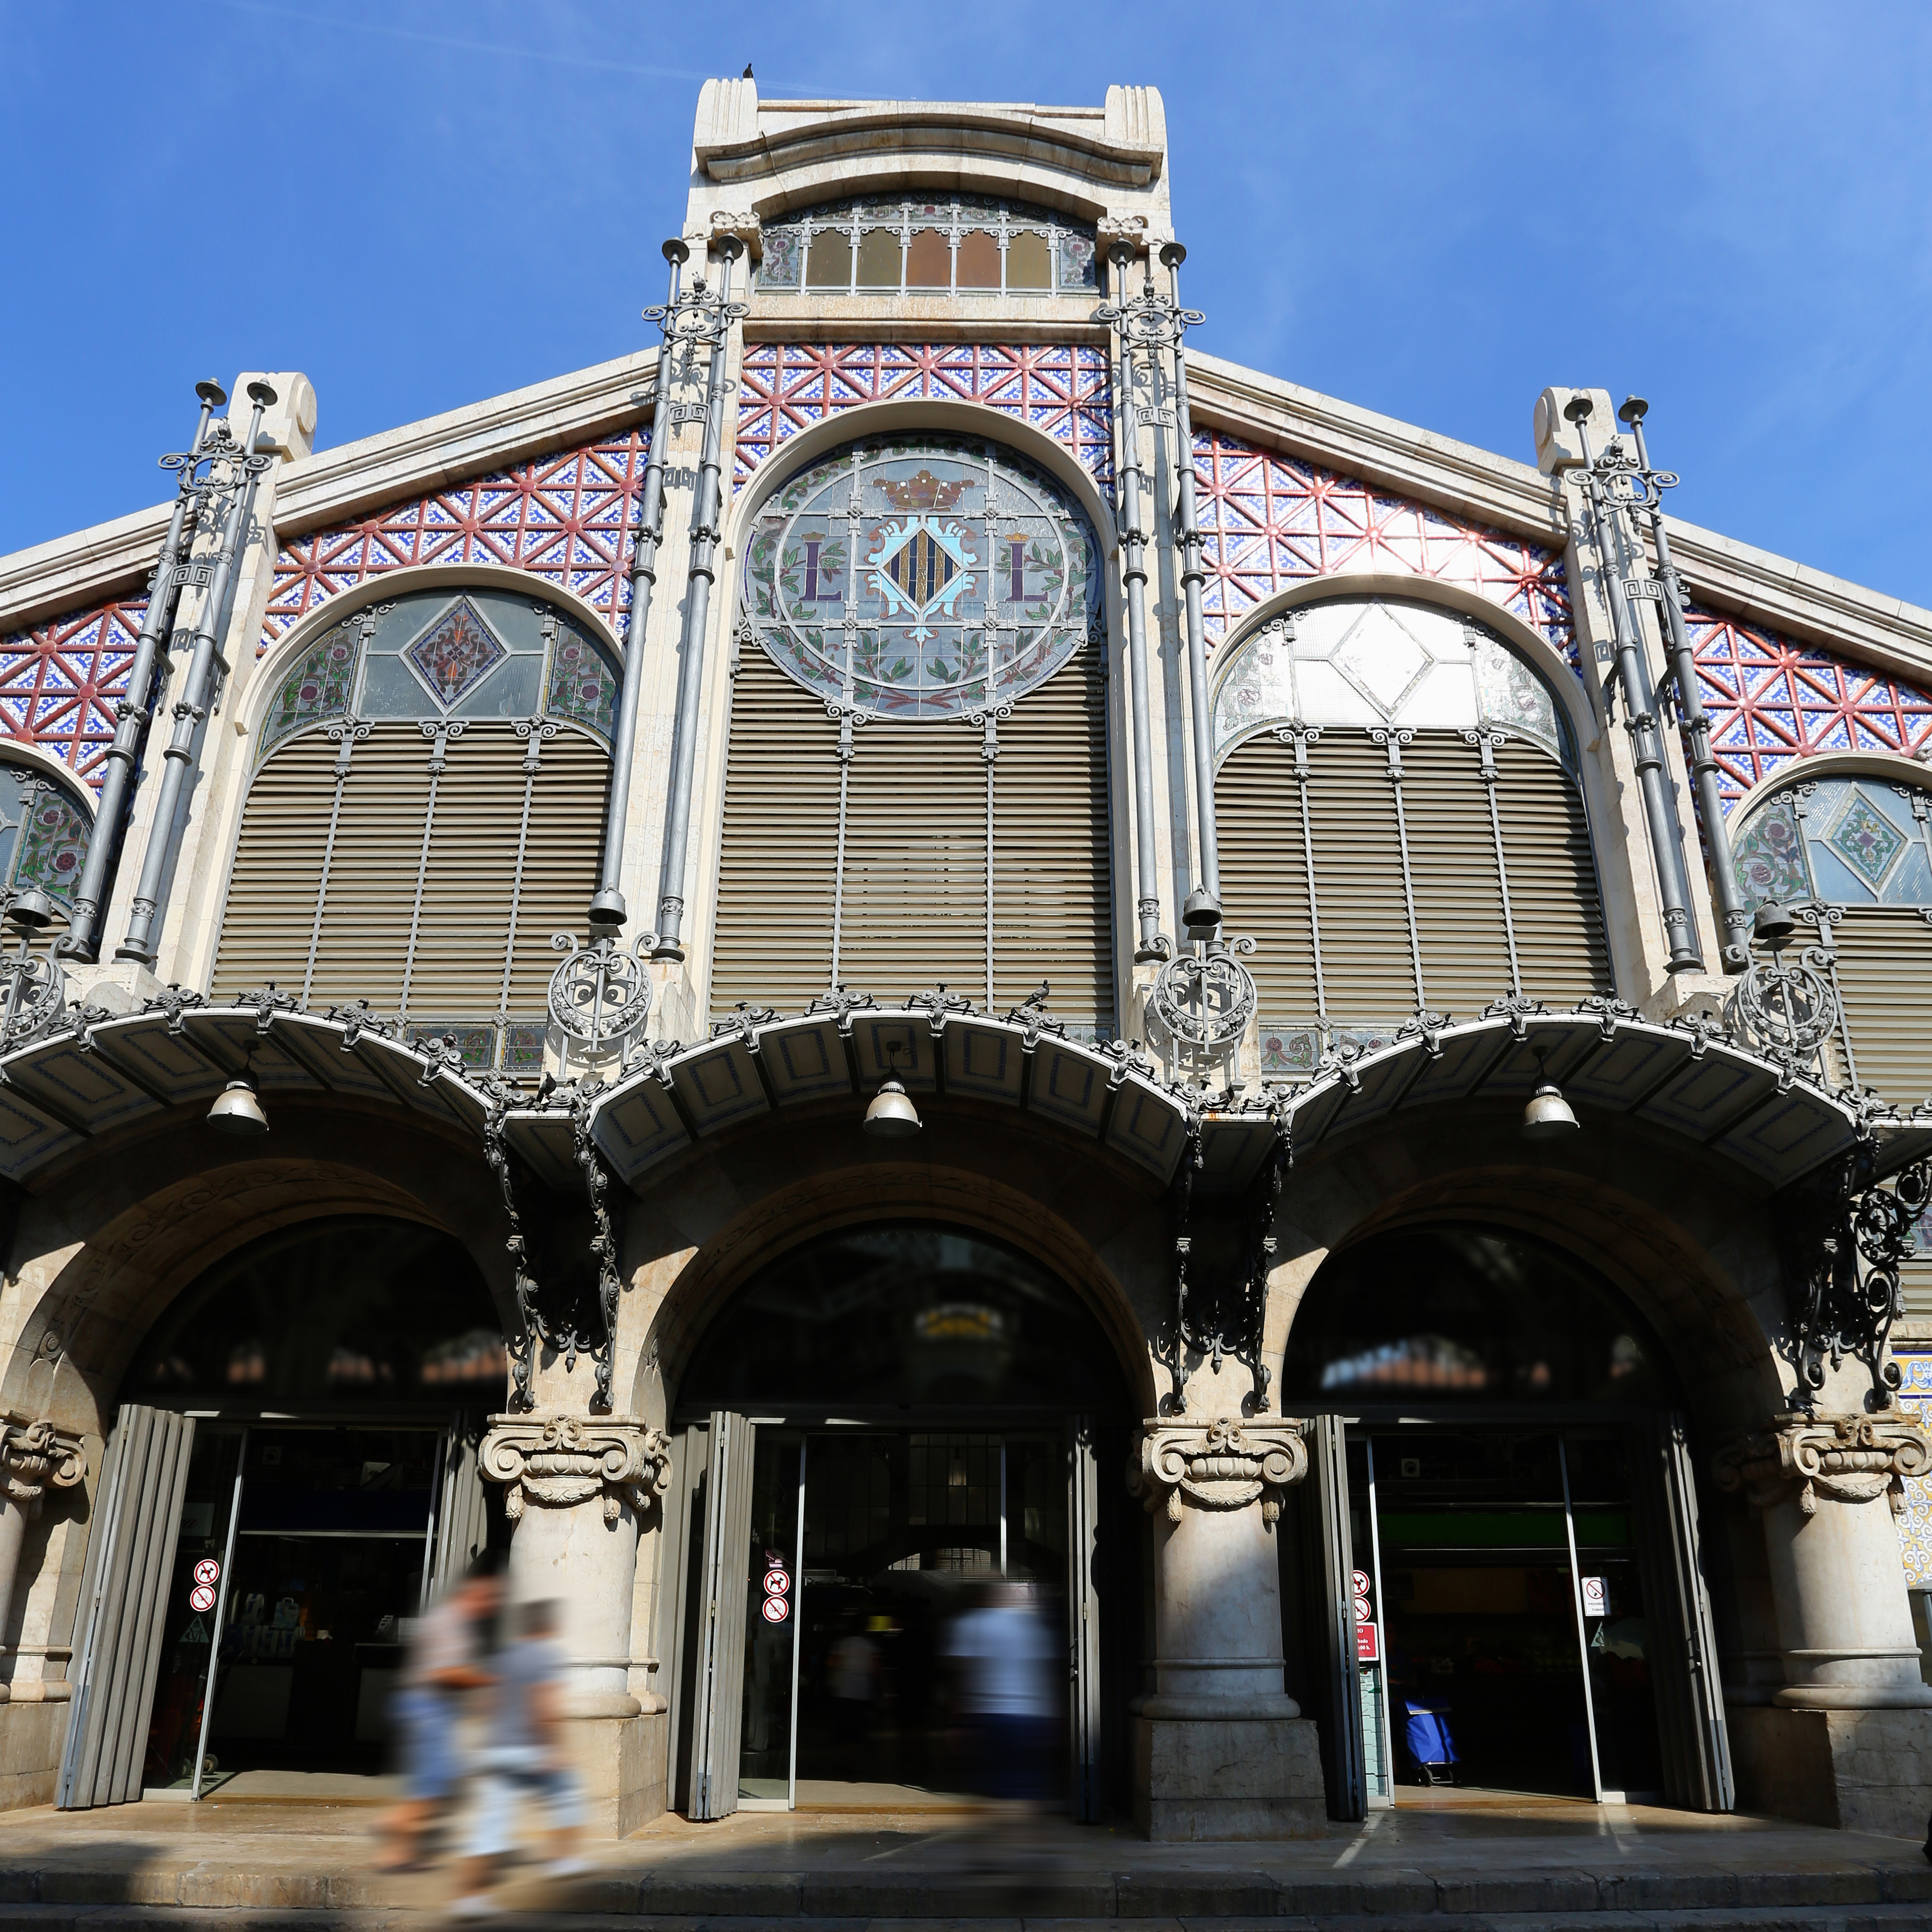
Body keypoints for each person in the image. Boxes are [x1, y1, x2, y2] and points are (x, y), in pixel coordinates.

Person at [451, 1598, 587, 1917]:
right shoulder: (545, 1655)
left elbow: (486, 1704)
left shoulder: (504, 1656)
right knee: (569, 1796)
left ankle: (469, 1898)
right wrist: (553, 1747)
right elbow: (544, 1704)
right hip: (530, 1749)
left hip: (497, 1749)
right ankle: (562, 1860)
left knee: (490, 1826)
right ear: (549, 1627)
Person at [374, 1552, 503, 1874]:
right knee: (433, 1784)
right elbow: (445, 1672)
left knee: (435, 1782)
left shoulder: (457, 1621)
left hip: (428, 1707)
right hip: (427, 1707)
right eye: (491, 1597)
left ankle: (400, 1848)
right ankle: (393, 1833)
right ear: (477, 1592)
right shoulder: (453, 1621)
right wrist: (490, 1679)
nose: (493, 1606)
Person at [941, 1582, 1060, 1803]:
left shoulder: (969, 1623)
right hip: (1029, 1715)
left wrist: (956, 1721)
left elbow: (961, 1676)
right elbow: (1045, 1675)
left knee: (989, 1787)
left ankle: (1001, 1825)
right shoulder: (1031, 1625)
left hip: (986, 1714)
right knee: (1023, 1785)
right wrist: (1051, 1720)